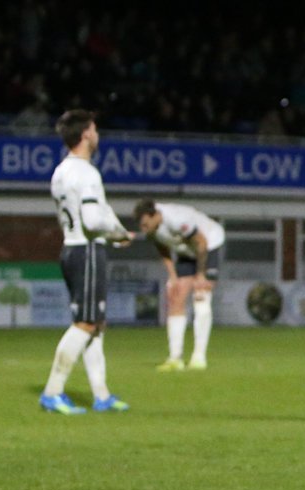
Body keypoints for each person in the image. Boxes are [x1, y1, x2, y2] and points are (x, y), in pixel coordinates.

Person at [39, 109, 134, 415]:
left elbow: (96, 210)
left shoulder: (61, 172)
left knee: (95, 324)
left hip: (70, 248)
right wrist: (118, 233)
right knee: (86, 323)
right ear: (85, 135)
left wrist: (116, 231)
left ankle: (101, 395)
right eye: (94, 129)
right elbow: (94, 219)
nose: (97, 134)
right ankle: (53, 392)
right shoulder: (87, 173)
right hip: (88, 250)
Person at [134, 199, 225, 370]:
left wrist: (200, 274)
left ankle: (199, 357)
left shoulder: (177, 219)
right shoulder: (151, 228)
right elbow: (164, 250)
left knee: (201, 296)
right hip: (186, 250)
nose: (143, 229)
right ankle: (175, 358)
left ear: (155, 216)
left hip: (209, 244)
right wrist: (173, 276)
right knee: (175, 297)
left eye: (145, 224)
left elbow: (201, 243)